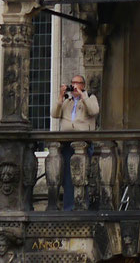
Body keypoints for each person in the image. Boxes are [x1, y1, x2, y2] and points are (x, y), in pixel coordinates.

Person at [51, 73, 99, 208]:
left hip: (83, 144)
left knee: (82, 175)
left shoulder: (90, 98)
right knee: (67, 177)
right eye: (73, 83)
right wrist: (60, 97)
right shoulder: (67, 100)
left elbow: (94, 111)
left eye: (78, 83)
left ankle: (82, 205)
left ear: (83, 86)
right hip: (66, 143)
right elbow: (54, 114)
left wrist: (83, 97)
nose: (75, 86)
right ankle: (68, 207)